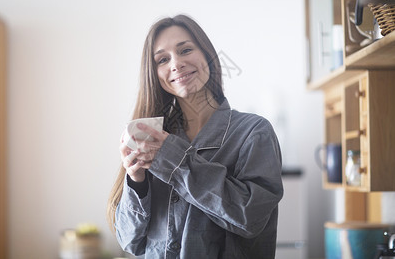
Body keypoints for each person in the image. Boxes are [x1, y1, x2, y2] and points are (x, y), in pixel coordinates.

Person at [107, 14, 283, 259]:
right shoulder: (152, 139)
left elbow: (250, 219)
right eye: (162, 59)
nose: (176, 64)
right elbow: (130, 242)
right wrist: (136, 180)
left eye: (185, 50)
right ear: (154, 74)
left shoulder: (253, 132)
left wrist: (172, 158)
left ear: (207, 55)